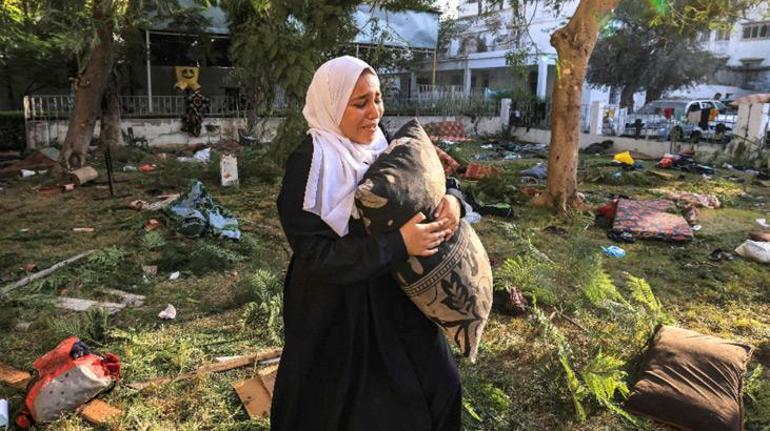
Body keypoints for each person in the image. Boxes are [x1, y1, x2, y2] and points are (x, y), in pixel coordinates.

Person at [271, 56, 466, 431]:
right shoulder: (310, 162)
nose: (374, 111)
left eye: (377, 98)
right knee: (353, 410)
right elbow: (316, 255)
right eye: (360, 102)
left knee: (442, 386)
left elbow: (434, 176)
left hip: (398, 298)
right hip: (337, 311)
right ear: (331, 104)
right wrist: (398, 244)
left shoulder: (385, 143)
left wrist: (454, 200)